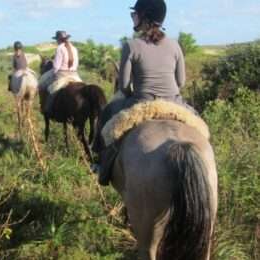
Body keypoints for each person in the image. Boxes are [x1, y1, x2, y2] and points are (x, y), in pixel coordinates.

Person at [92, 0, 195, 186]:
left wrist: (134, 90)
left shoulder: (131, 46)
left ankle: (101, 165)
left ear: (144, 17)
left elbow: (123, 86)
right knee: (200, 127)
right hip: (175, 103)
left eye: (135, 14)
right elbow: (181, 82)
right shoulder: (175, 45)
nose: (133, 17)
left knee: (108, 115)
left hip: (143, 103)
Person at [39, 30, 82, 115]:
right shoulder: (74, 48)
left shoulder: (60, 48)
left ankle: (47, 108)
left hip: (61, 74)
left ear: (58, 40)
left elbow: (56, 67)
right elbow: (76, 64)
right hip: (74, 74)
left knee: (48, 88)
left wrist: (53, 73)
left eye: (56, 40)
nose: (56, 42)